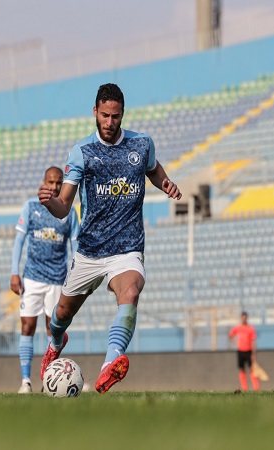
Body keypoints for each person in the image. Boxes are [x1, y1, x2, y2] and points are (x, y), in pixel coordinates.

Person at [37, 83, 182, 394]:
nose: (109, 122)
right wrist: (50, 202)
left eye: (115, 116)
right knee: (61, 314)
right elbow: (64, 207)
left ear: (122, 114)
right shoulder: (82, 152)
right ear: (95, 112)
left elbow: (153, 169)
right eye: (104, 115)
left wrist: (165, 183)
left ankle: (108, 366)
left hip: (127, 248)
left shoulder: (141, 144)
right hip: (90, 250)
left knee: (130, 291)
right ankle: (55, 342)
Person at [11, 166, 79, 394]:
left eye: (59, 182)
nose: (55, 186)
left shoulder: (69, 212)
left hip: (58, 280)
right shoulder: (31, 207)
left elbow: (75, 247)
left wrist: (75, 275)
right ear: (44, 182)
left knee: (54, 331)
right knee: (27, 327)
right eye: (51, 182)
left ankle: (50, 380)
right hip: (32, 278)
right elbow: (19, 241)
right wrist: (14, 272)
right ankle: (25, 381)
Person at [229, 311, 259, 391]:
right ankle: (244, 388)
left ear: (247, 318)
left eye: (245, 318)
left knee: (252, 369)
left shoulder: (251, 328)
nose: (244, 319)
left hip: (249, 351)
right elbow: (230, 335)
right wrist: (236, 342)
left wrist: (253, 353)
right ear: (241, 318)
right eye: (243, 318)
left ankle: (256, 388)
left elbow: (253, 341)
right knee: (242, 369)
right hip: (240, 351)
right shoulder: (238, 327)